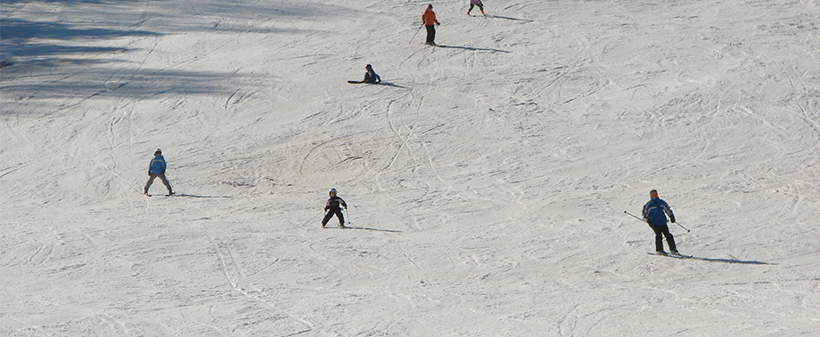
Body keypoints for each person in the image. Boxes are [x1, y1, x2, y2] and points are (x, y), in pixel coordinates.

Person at [642, 189, 678, 255]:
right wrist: (648, 220)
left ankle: (673, 249)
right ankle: (659, 250)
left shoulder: (661, 202)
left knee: (668, 235)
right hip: (654, 223)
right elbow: (644, 215)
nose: (655, 196)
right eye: (654, 195)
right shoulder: (649, 205)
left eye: (656, 194)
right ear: (651, 195)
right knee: (658, 234)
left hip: (662, 222)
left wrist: (671, 216)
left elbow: (667, 209)